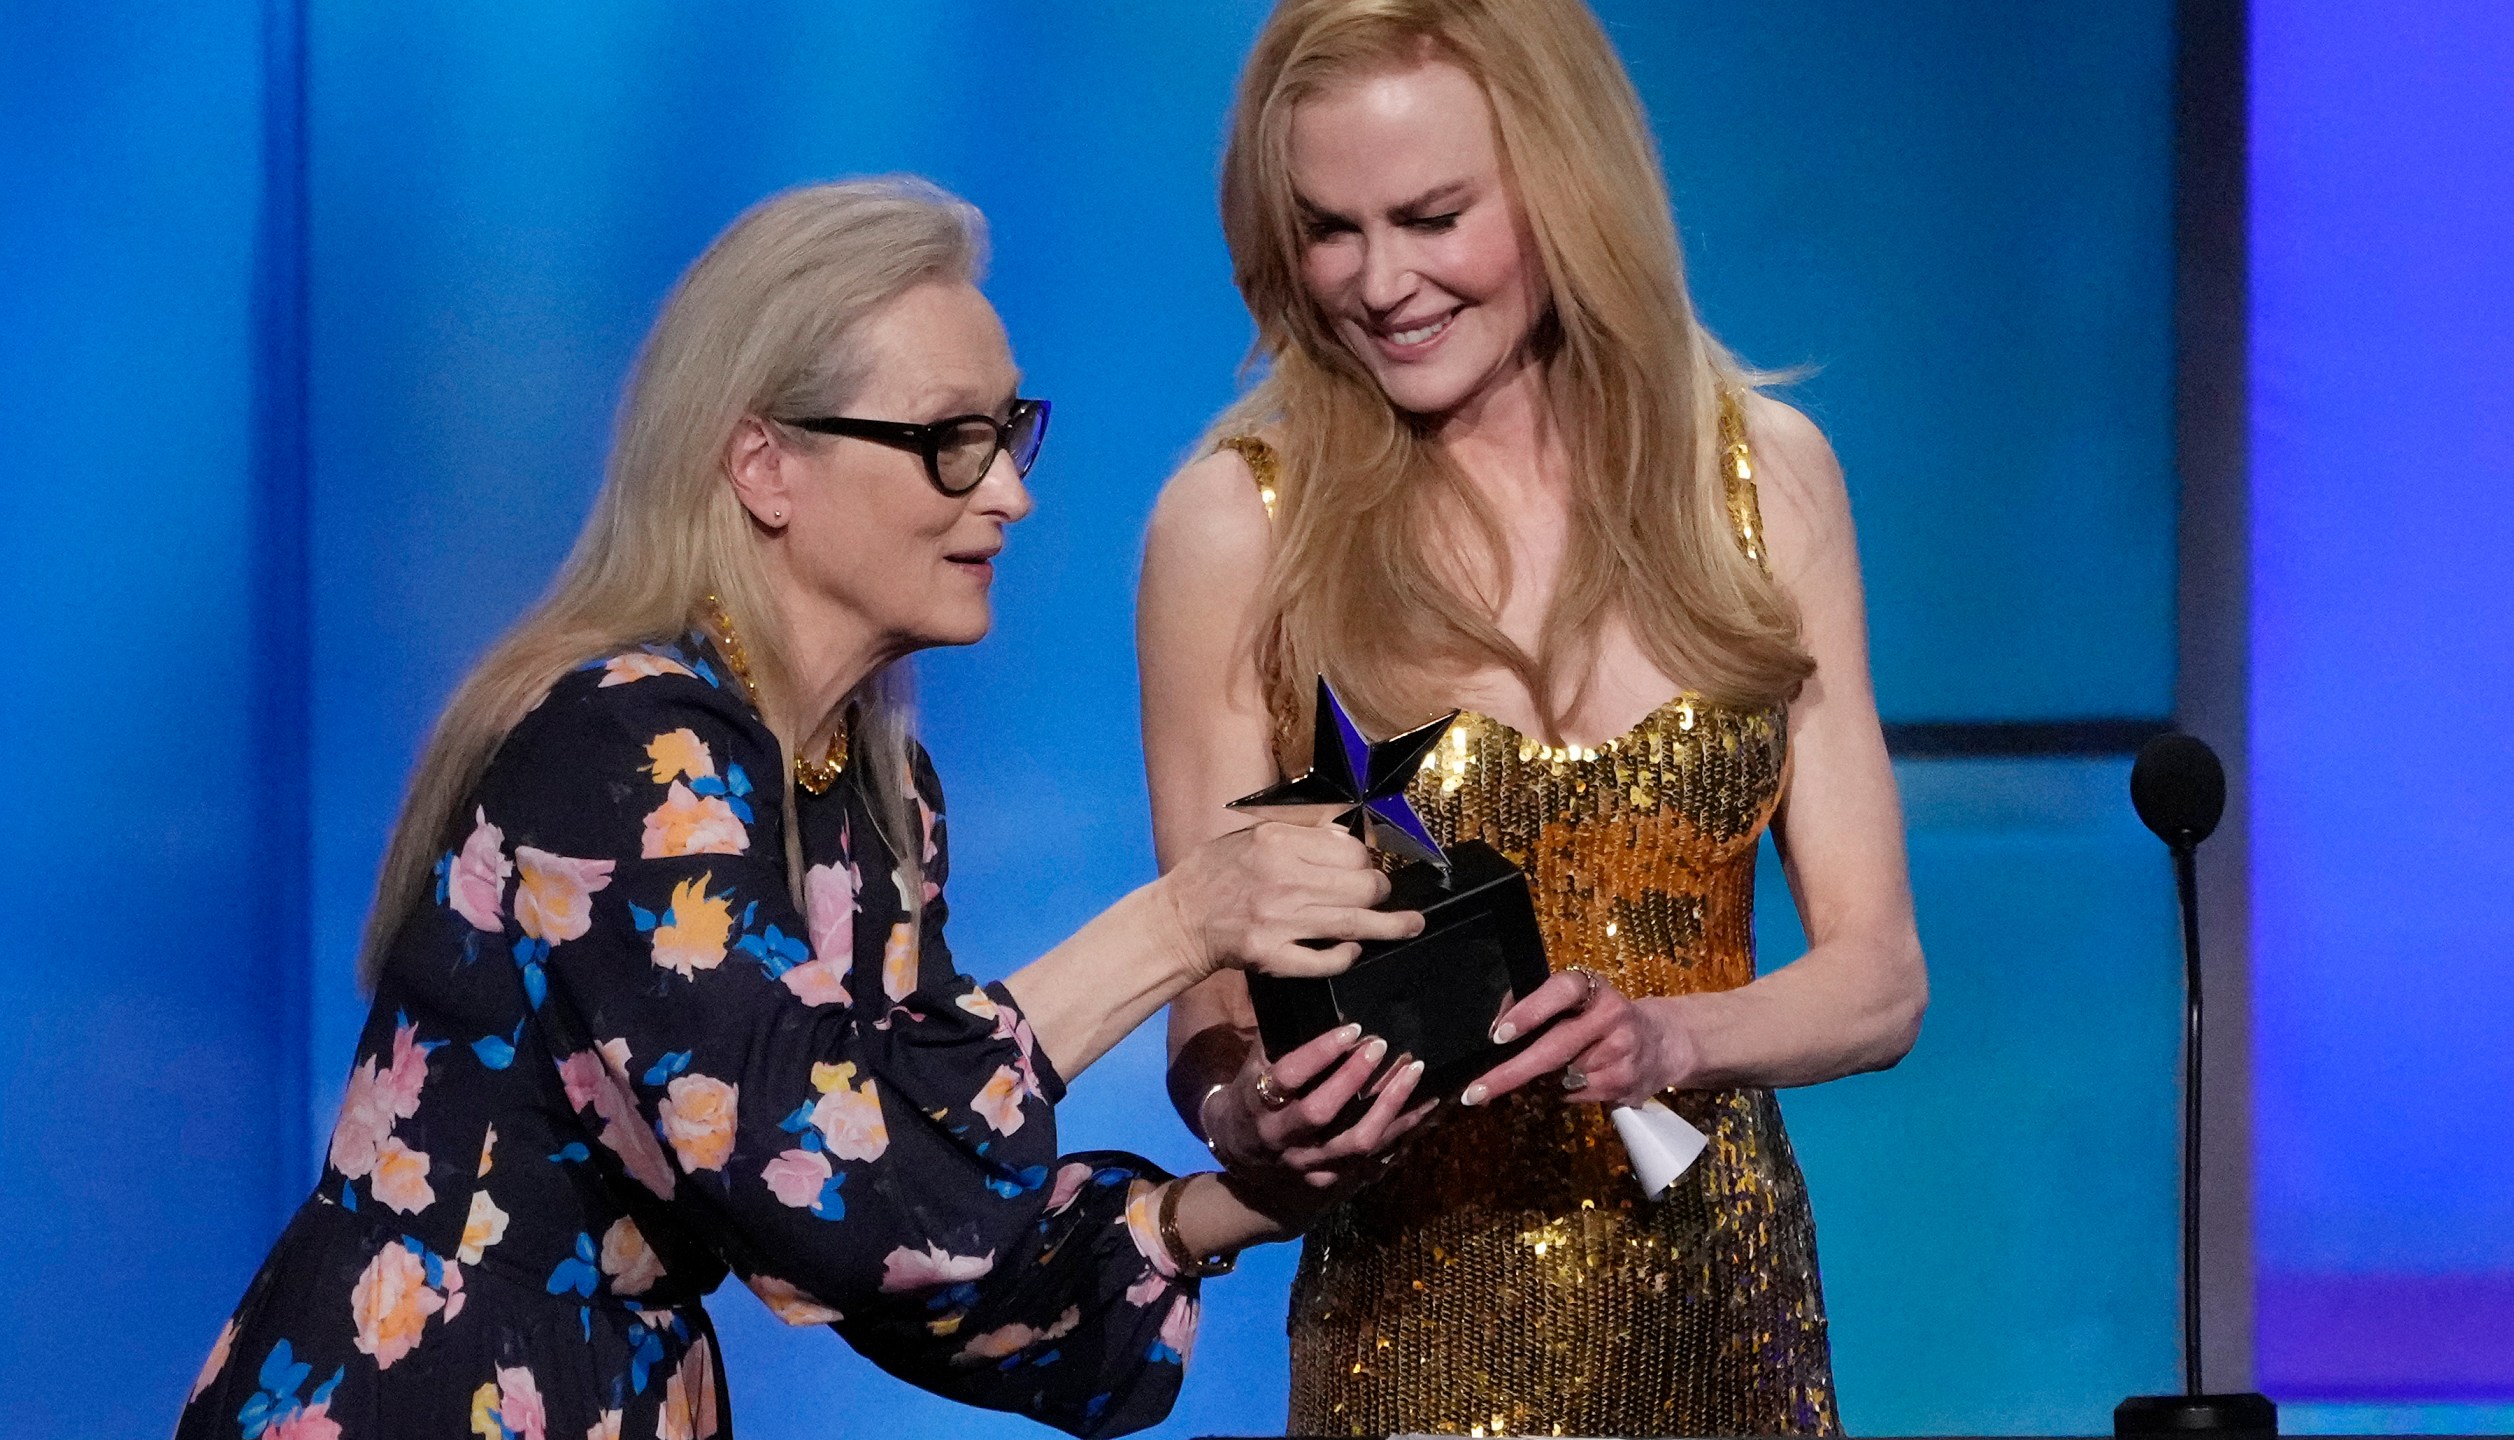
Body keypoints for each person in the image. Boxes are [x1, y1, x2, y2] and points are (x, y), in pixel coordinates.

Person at [175, 178, 1433, 1440]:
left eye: (1010, 433)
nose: (1010, 495)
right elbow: (824, 1163)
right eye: (952, 439)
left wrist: (1248, 1198)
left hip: (629, 1391)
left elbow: (898, 1244)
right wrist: (1179, 924)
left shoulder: (873, 798)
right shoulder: (626, 743)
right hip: (428, 1389)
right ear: (765, 465)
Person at [1139, 1, 1928, 1433]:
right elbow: (1209, 1003)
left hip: (1726, 1324)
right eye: (1330, 230)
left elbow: (1880, 980)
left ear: (1565, 182)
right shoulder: (1237, 527)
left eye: (1434, 216)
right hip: (1418, 1346)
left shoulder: (1767, 482)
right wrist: (1243, 1114)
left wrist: (1674, 1040)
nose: (1382, 283)